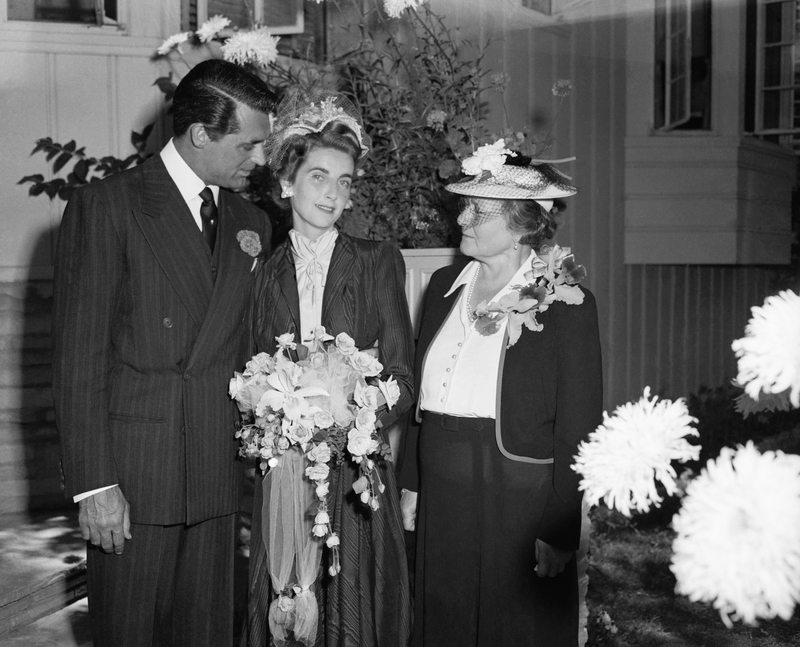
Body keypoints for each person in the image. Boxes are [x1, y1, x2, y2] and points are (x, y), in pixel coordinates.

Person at [51, 59, 276, 647]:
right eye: (249, 145)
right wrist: (95, 485)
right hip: (134, 481)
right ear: (201, 134)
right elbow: (79, 362)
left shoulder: (251, 221)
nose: (260, 160)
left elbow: (249, 349)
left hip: (214, 478)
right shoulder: (108, 206)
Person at [399, 150, 603, 646]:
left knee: (513, 624)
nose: (462, 217)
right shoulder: (445, 284)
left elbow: (579, 423)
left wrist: (560, 527)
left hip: (516, 488)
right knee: (444, 612)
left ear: (521, 227)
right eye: (465, 205)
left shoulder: (566, 302)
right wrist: (412, 481)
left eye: (479, 211)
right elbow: (420, 401)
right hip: (443, 477)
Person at [240, 89, 414, 647]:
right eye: (319, 177)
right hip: (285, 474)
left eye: (344, 183)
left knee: (354, 617)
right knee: (284, 614)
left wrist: (355, 414)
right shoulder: (260, 274)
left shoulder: (376, 260)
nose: (333, 195)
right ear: (287, 182)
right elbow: (248, 373)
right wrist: (269, 413)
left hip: (356, 477)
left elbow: (403, 379)